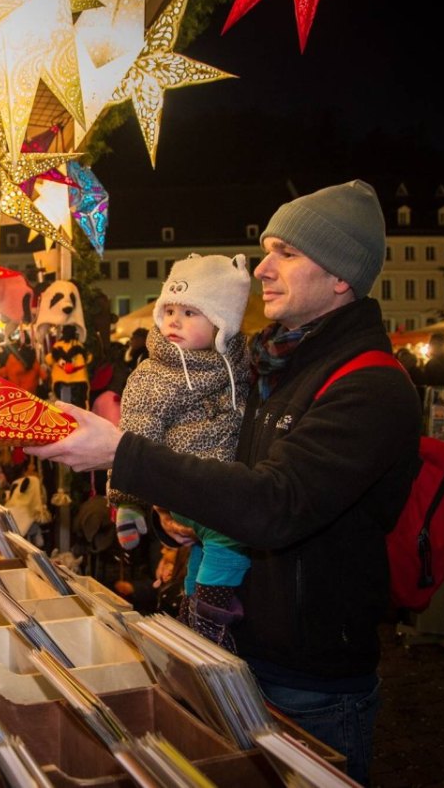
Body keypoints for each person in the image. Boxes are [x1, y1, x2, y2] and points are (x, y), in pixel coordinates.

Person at [27, 180, 421, 784]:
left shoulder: (371, 387)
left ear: (341, 275)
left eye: (287, 252)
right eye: (267, 249)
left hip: (308, 681)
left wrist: (124, 454)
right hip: (231, 649)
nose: (263, 267)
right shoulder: (268, 366)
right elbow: (231, 479)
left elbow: (275, 504)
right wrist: (176, 510)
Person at [106, 253, 252, 650]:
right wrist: (127, 504)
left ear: (223, 324)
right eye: (168, 309)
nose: (173, 320)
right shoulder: (154, 374)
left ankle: (194, 616)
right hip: (191, 489)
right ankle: (209, 623)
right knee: (228, 544)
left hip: (221, 485)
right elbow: (134, 436)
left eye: (190, 312)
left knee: (202, 558)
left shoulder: (238, 366)